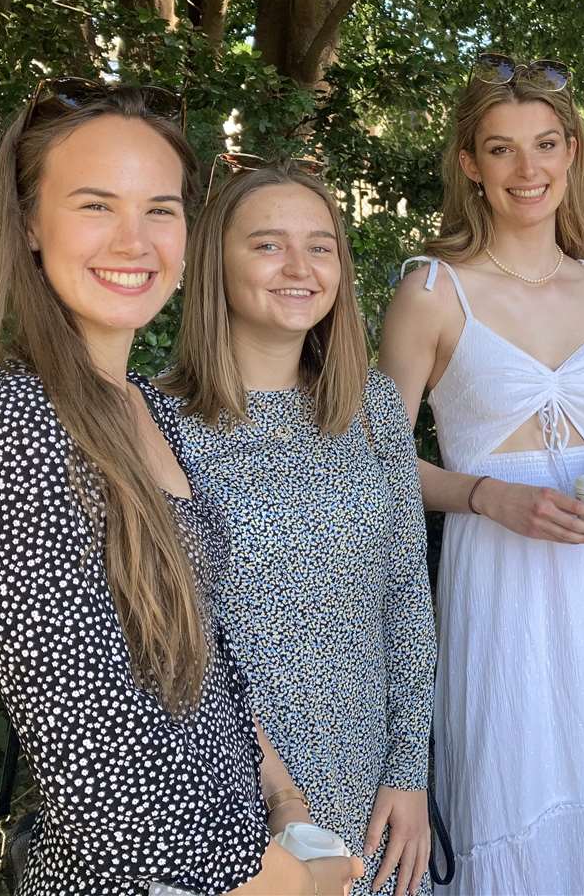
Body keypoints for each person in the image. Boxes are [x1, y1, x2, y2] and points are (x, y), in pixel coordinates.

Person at [0, 82, 360, 896]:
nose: (134, 240)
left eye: (159, 209)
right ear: (30, 227)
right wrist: (285, 884)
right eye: (94, 204)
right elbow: (94, 755)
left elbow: (202, 651)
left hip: (236, 848)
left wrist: (282, 795)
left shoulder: (138, 402)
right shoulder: (11, 421)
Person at [377, 55, 584, 895]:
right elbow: (369, 464)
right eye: (503, 149)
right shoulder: (432, 292)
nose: (529, 170)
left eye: (546, 145)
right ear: (470, 166)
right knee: (510, 781)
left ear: (572, 154)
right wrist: (485, 495)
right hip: (499, 581)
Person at [160, 159, 436, 896]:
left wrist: (411, 771)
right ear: (213, 259)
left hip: (369, 778)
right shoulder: (158, 423)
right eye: (267, 244)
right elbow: (166, 642)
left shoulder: (373, 407)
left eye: (320, 246)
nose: (300, 267)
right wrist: (274, 793)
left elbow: (405, 595)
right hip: (229, 781)